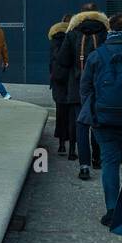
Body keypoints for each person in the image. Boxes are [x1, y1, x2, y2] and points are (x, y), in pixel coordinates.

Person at [80, 13, 122, 226]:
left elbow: (85, 87)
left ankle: (112, 209)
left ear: (110, 30)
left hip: (104, 117)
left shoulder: (98, 54)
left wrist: (93, 111)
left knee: (109, 162)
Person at [57, 3, 110, 177]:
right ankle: (97, 158)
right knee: (97, 122)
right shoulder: (105, 32)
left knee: (81, 124)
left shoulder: (72, 33)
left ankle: (84, 165)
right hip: (101, 85)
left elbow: (63, 60)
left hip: (77, 84)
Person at [49, 16, 73, 154]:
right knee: (72, 114)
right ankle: (72, 148)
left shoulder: (54, 40)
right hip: (71, 81)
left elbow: (50, 63)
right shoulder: (74, 37)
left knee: (60, 112)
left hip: (58, 81)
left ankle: (61, 143)